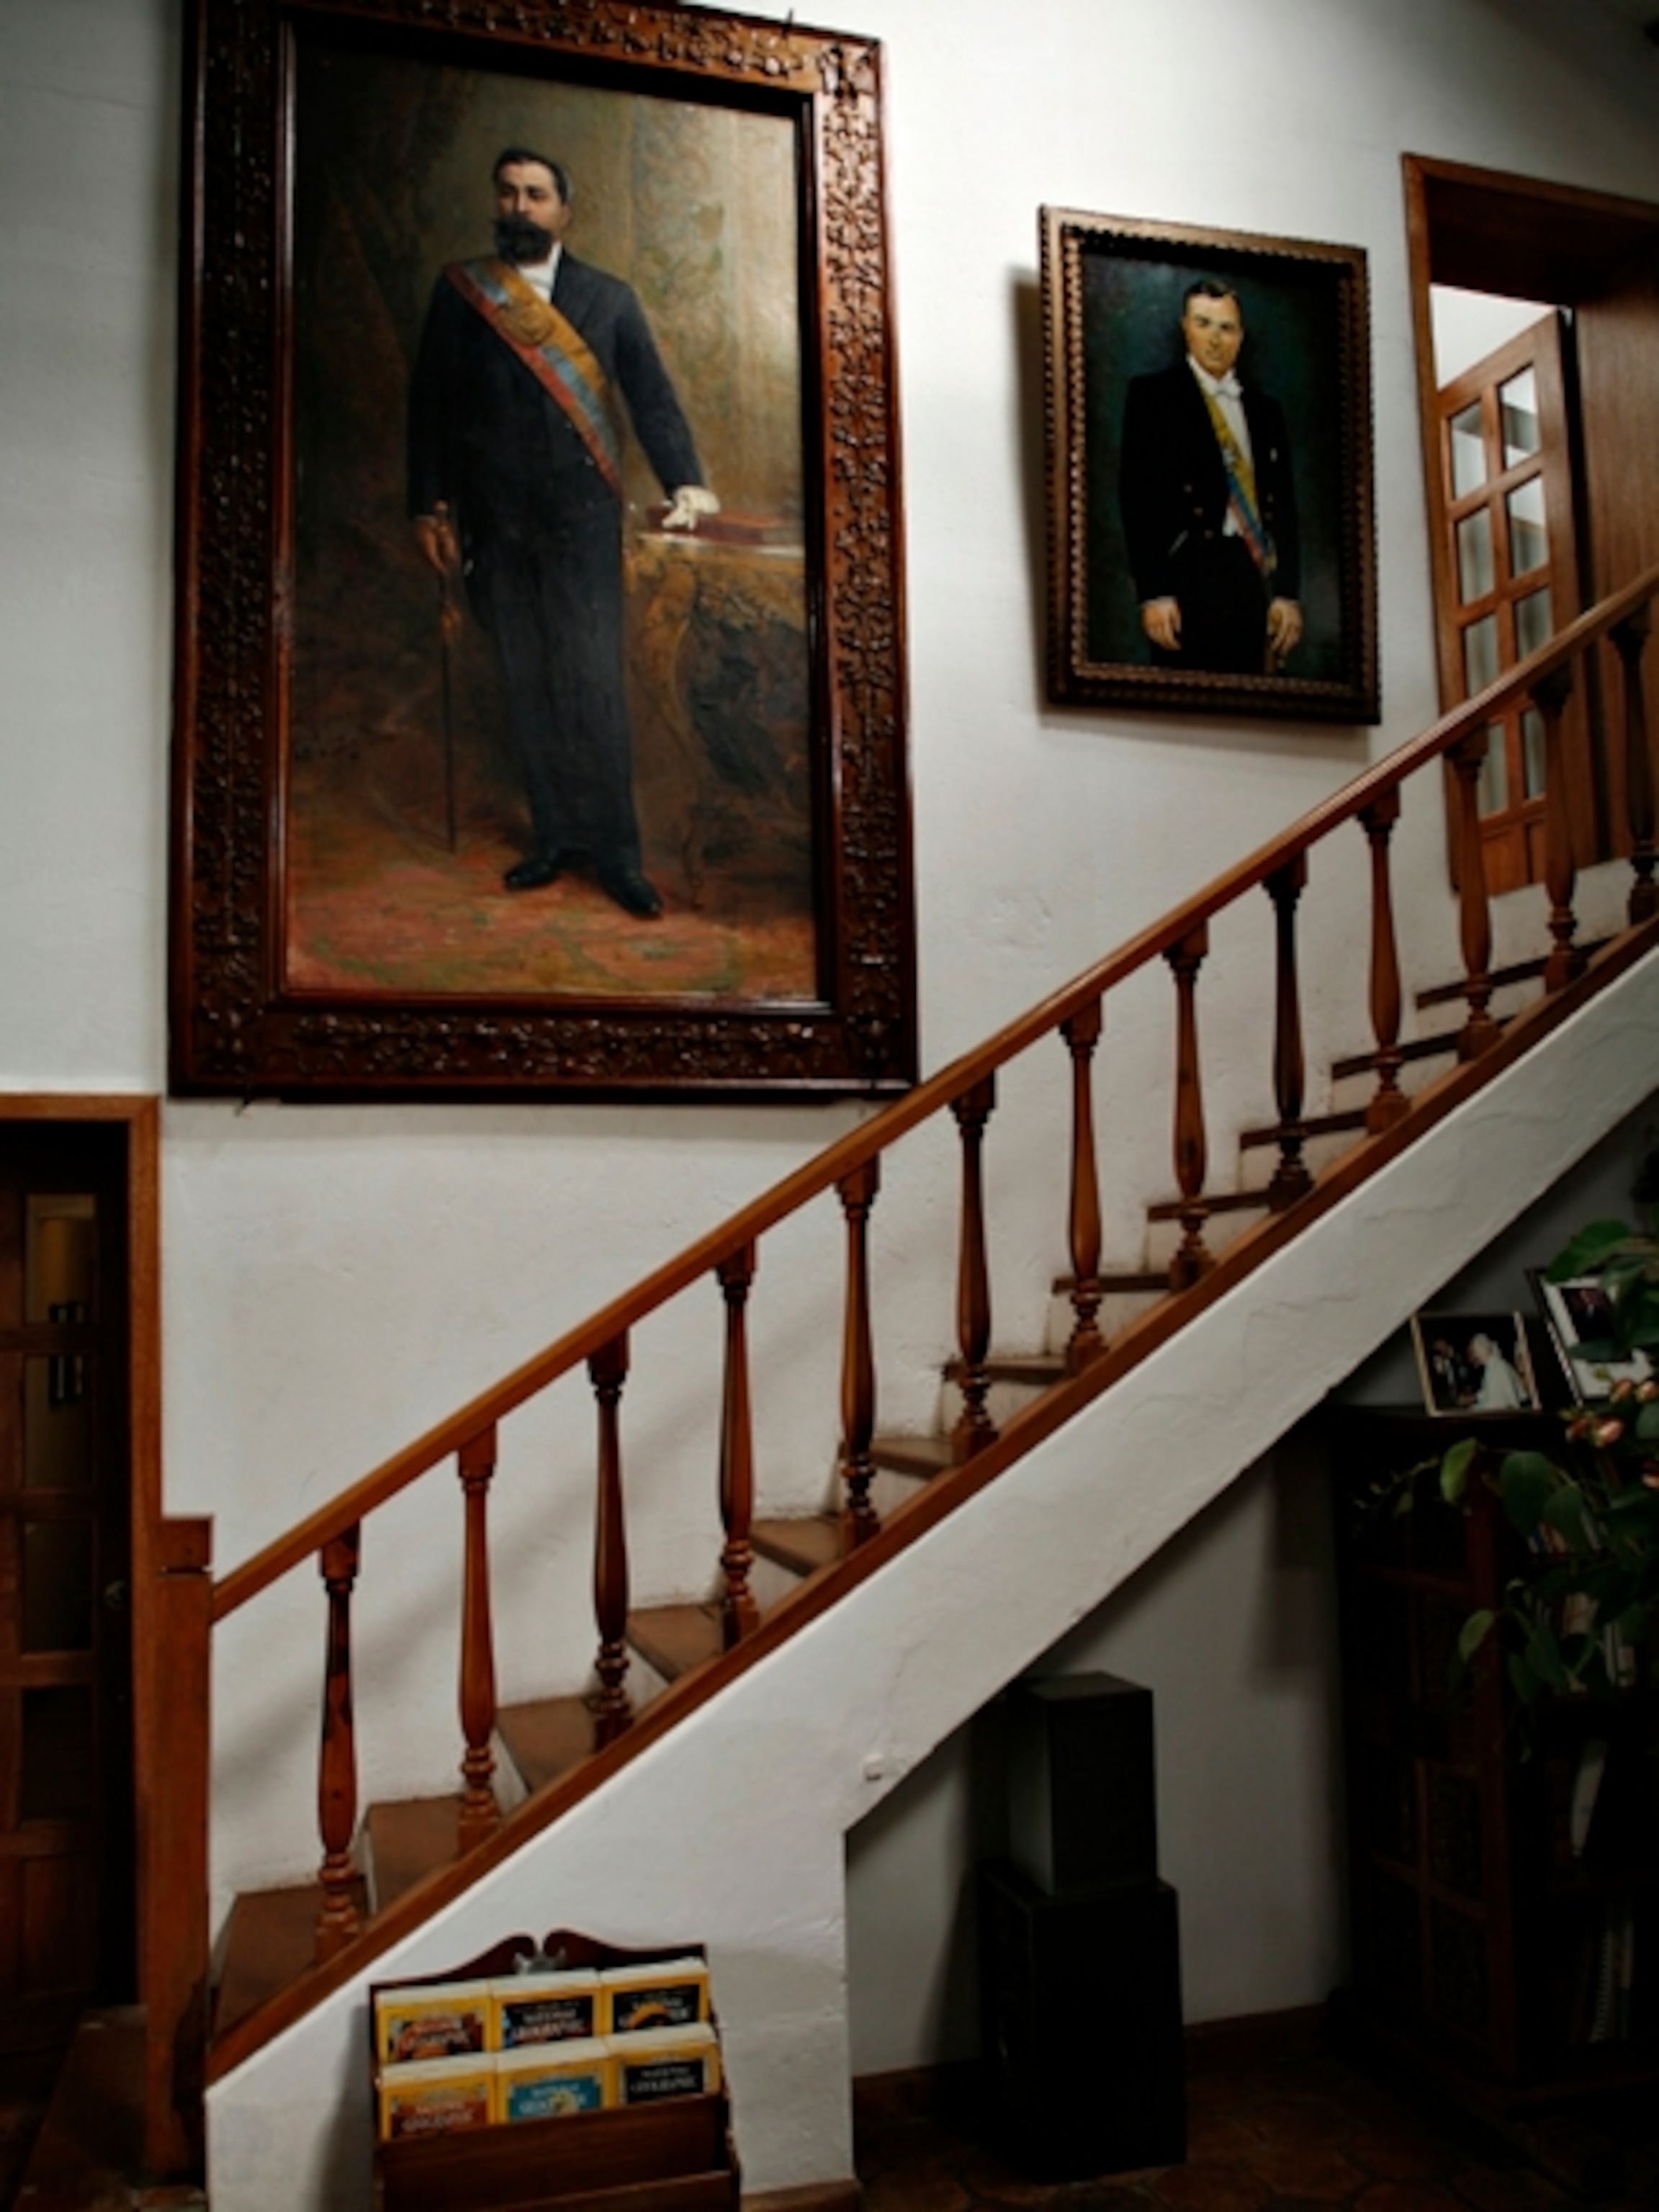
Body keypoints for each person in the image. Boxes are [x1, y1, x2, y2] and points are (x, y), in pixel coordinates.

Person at [408, 148, 719, 916]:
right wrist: (429, 507)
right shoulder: (462, 296)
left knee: (592, 685)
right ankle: (552, 838)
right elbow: (430, 409)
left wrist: (685, 478)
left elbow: (650, 400)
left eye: (536, 195)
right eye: (508, 193)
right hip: (495, 524)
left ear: (563, 211)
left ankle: (616, 854)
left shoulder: (608, 300)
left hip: (582, 526)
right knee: (528, 682)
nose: (520, 207)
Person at [1118, 279, 1302, 677]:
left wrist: (1287, 591)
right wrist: (1154, 592)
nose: (1215, 339)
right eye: (1203, 324)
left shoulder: (1266, 411)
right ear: (1185, 326)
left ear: (1241, 335)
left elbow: (1284, 506)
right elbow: (1137, 499)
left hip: (1252, 575)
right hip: (1186, 574)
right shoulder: (1154, 397)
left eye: (1226, 328)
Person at [1467, 1331, 1528, 1411]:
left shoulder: (1495, 1367)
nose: (1474, 1356)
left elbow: (1496, 1404)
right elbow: (1488, 1394)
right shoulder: (1494, 1365)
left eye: (1474, 1352)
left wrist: (1474, 1410)